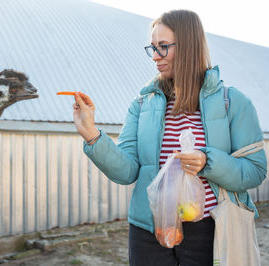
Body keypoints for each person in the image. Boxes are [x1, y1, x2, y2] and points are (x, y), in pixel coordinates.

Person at [72, 9, 267, 266]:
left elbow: (255, 171)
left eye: (163, 47)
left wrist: (208, 162)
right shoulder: (142, 104)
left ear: (188, 46)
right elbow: (127, 172)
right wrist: (92, 135)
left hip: (211, 231)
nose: (154, 56)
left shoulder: (233, 102)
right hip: (149, 232)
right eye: (152, 47)